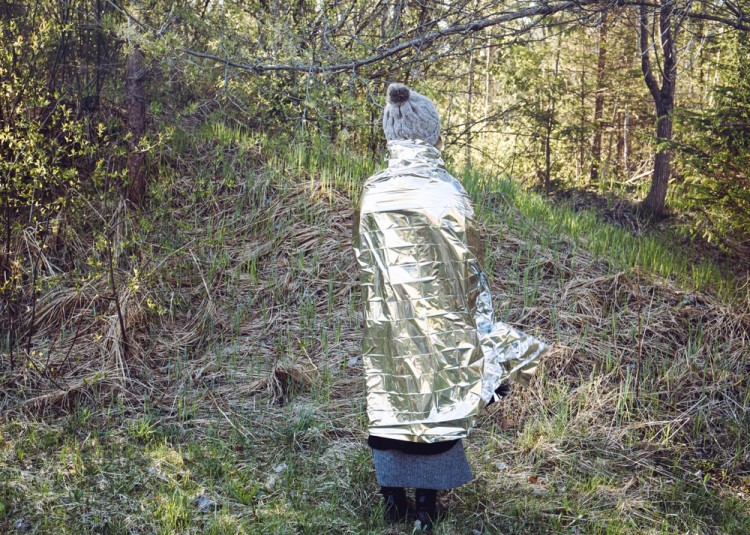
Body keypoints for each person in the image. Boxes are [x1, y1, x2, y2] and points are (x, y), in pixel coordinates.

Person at [353, 83, 547, 531]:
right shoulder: (449, 190)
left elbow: (363, 257)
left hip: (387, 320)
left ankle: (392, 498)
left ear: (391, 133)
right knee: (435, 403)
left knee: (391, 400)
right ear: (432, 133)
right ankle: (426, 502)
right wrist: (482, 326)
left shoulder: (373, 190)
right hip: (441, 322)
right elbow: (471, 265)